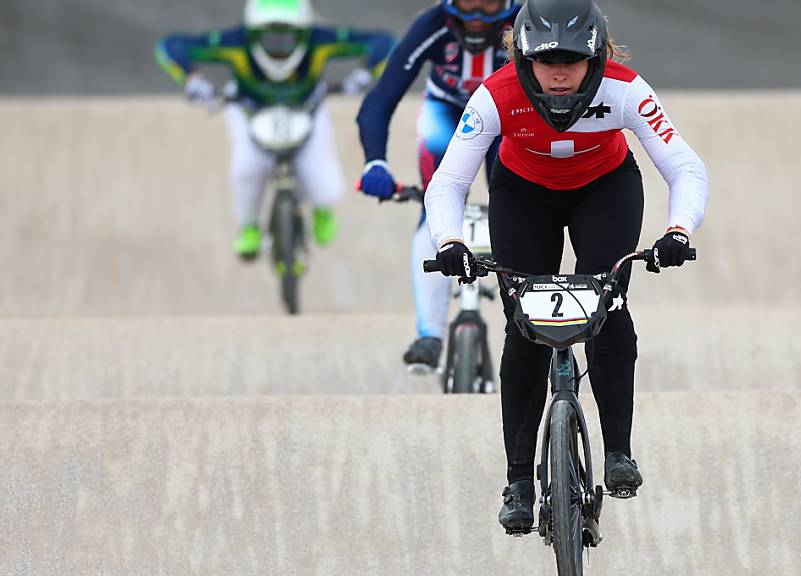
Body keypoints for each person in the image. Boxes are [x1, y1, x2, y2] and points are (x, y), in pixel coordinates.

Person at [423, 0, 708, 532]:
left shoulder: (625, 90)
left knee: (609, 305)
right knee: (523, 326)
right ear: (523, 59)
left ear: (596, 58)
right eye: (545, 61)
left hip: (605, 188)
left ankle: (619, 452)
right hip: (522, 193)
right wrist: (450, 240)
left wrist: (678, 230)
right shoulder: (496, 95)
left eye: (573, 60)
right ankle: (519, 481)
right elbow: (450, 180)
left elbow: (683, 165)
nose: (558, 73)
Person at [156, 0, 394, 259]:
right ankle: (248, 226)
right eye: (270, 37)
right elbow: (171, 46)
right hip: (249, 110)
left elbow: (383, 41)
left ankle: (323, 208)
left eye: (287, 36)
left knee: (321, 171)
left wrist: (365, 73)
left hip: (307, 107)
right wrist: (192, 79)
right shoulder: (236, 43)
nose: (279, 45)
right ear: (254, 34)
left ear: (303, 32)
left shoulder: (319, 40)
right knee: (247, 168)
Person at [356, 0, 520, 371]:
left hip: (506, 118)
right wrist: (375, 162)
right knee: (435, 208)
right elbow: (380, 100)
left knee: (517, 210)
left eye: (488, 1)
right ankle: (429, 333)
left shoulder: (525, 21)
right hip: (446, 115)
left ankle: (529, 324)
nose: (477, 15)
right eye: (468, 1)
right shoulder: (432, 25)